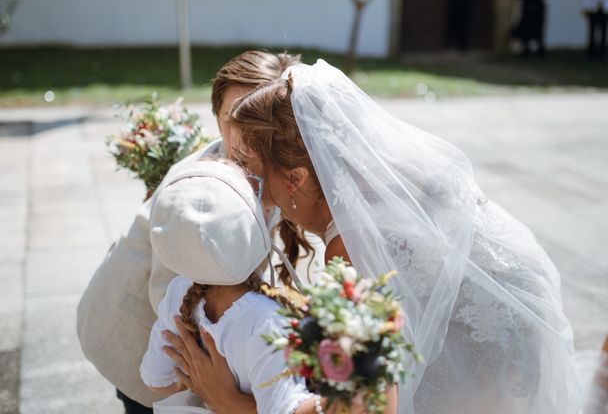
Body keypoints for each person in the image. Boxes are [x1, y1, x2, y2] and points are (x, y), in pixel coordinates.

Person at [185, 59, 577, 413]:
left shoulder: (350, 253)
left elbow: (368, 405)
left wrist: (231, 403)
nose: (243, 179)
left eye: (248, 166)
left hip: (478, 367)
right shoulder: (387, 184)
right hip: (515, 335)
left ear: (295, 178)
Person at [76, 51, 301, 414]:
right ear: (216, 119)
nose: (246, 137)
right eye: (233, 119)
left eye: (258, 120)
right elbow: (180, 306)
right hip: (139, 338)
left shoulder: (265, 168)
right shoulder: (198, 201)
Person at [140, 160, 396, 413]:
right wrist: (337, 403)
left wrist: (202, 386)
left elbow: (156, 380)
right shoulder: (267, 320)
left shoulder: (178, 290)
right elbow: (284, 409)